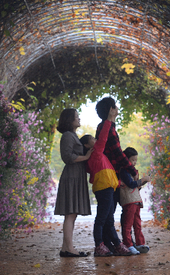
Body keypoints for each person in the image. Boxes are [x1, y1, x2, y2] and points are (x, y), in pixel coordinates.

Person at [80, 106, 132, 257]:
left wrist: (117, 183)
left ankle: (116, 245)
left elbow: (107, 170)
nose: (96, 141)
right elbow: (103, 138)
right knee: (103, 218)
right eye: (92, 140)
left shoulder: (97, 156)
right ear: (87, 146)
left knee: (108, 218)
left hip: (107, 187)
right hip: (104, 189)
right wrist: (109, 120)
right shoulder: (96, 154)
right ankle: (100, 245)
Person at [94, 97, 139, 253]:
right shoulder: (108, 128)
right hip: (109, 176)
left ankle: (108, 244)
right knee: (107, 213)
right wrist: (133, 171)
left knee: (108, 212)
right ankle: (108, 244)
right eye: (115, 106)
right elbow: (118, 154)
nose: (117, 108)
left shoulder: (104, 127)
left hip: (108, 176)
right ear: (111, 110)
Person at [54, 108, 93, 258]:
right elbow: (67, 157)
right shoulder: (68, 136)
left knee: (72, 214)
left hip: (76, 176)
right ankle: (69, 248)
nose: (79, 119)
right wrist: (86, 156)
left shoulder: (72, 135)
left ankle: (66, 248)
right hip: (71, 177)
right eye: (76, 117)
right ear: (69, 120)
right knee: (70, 214)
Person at [118, 147, 150, 254]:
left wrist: (142, 182)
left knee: (137, 223)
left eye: (136, 160)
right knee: (128, 223)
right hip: (128, 200)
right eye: (132, 160)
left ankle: (140, 243)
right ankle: (128, 244)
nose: (134, 162)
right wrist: (142, 180)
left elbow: (137, 187)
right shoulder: (124, 171)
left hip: (136, 200)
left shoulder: (133, 171)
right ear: (126, 159)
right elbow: (131, 184)